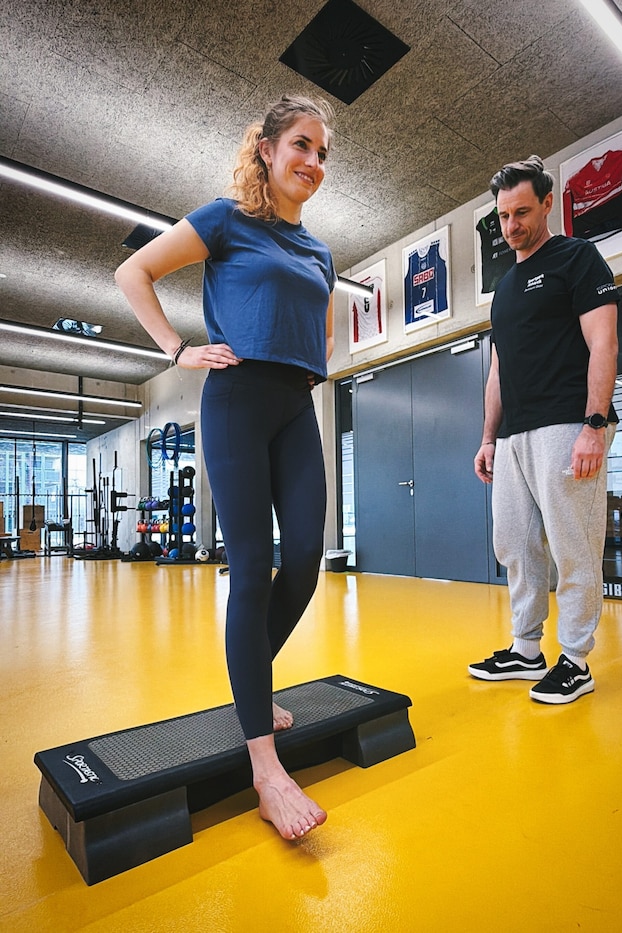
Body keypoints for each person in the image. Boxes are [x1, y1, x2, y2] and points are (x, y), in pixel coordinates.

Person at [115, 94, 336, 838]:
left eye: (323, 153)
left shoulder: (321, 251)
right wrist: (178, 350)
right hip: (238, 396)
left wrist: (312, 364)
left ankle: (251, 679)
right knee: (251, 565)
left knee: (305, 557)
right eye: (303, 145)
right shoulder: (225, 219)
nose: (314, 162)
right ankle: (265, 765)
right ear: (268, 149)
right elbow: (133, 272)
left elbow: (320, 330)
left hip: (296, 402)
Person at [470, 154, 619, 705]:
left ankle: (576, 659)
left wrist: (594, 425)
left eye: (523, 212)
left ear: (548, 203)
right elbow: (498, 369)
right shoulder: (505, 286)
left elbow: (604, 343)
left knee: (573, 544)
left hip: (566, 424)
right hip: (513, 437)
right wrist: (489, 438)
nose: (512, 226)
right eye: (504, 215)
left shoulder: (577, 259)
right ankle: (525, 647)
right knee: (514, 543)